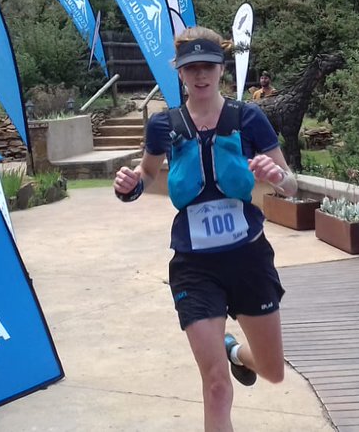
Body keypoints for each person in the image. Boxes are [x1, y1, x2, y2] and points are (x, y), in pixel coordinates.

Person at [113, 27, 299, 432]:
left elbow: (291, 183)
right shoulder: (164, 125)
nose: (200, 76)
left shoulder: (248, 117)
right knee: (215, 387)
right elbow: (146, 174)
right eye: (191, 68)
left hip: (248, 257)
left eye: (208, 67)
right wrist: (130, 187)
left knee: (273, 371)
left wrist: (276, 175)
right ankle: (223, 362)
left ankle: (235, 354)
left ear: (221, 69)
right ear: (180, 72)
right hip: (194, 266)